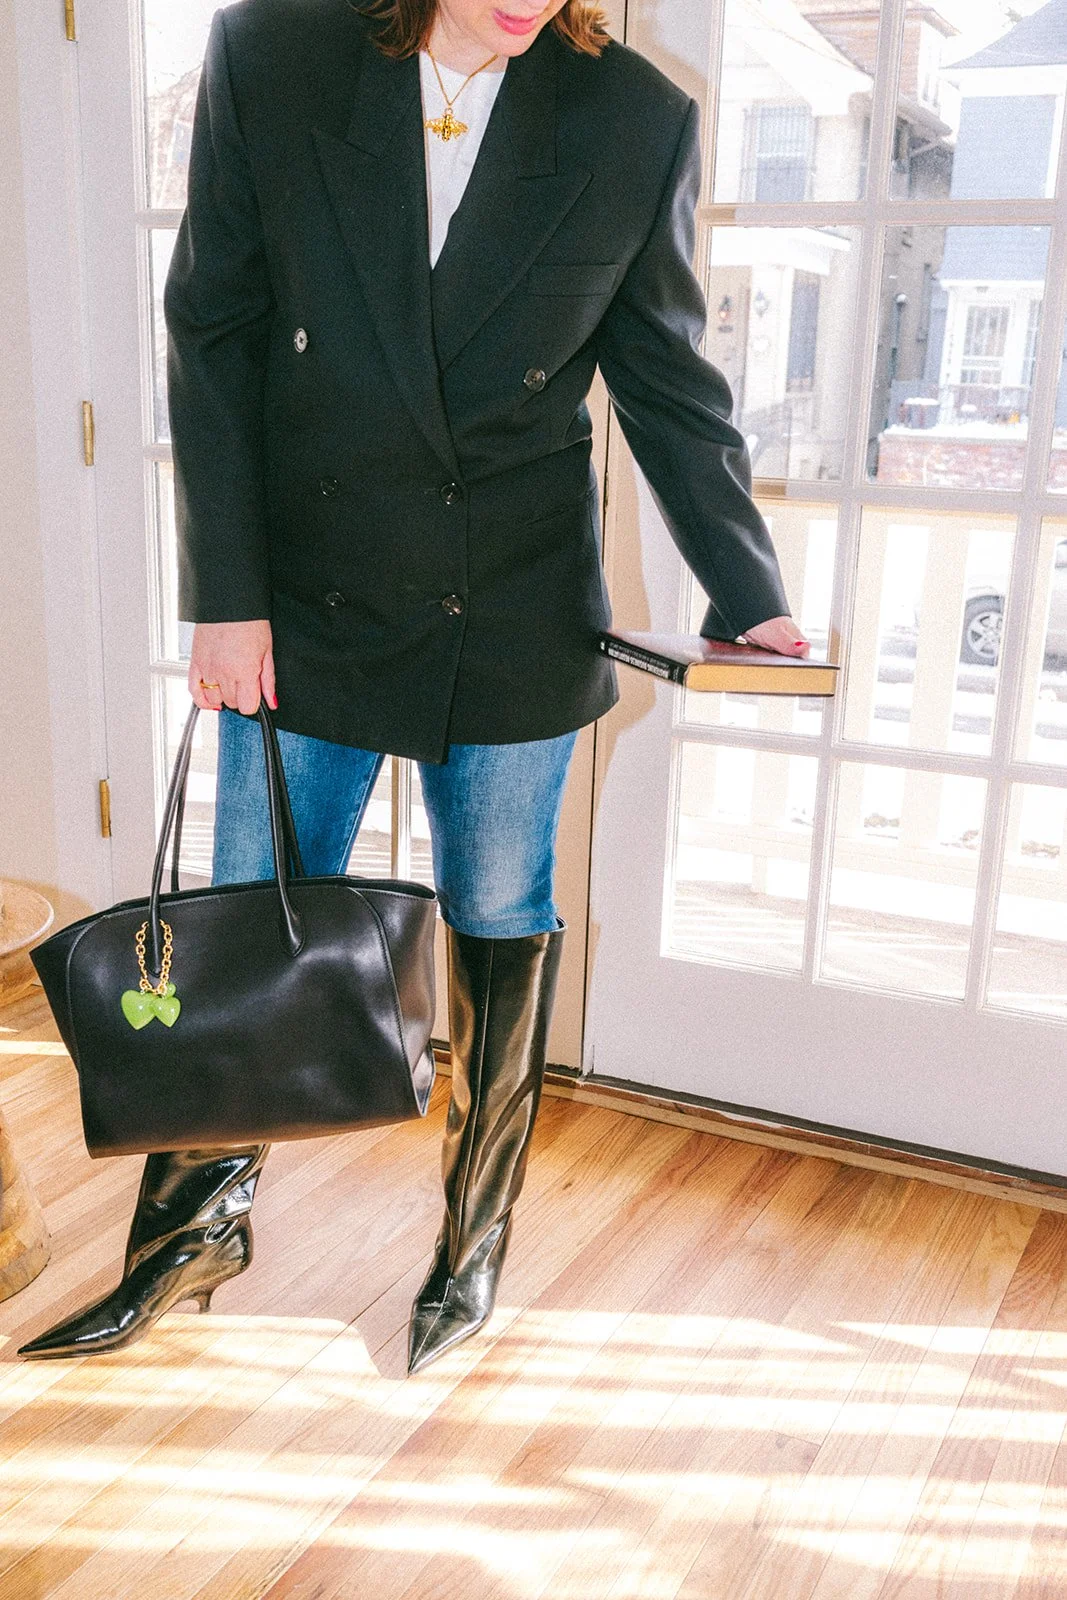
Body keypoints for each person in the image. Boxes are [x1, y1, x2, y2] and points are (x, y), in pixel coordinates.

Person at [20, 0, 809, 1370]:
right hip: (304, 589)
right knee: (242, 905)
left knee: (501, 913)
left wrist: (753, 594)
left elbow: (666, 380)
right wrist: (226, 594)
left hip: (508, 595)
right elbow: (213, 326)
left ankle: (471, 1238)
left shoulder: (633, 114)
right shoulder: (274, 48)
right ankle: (189, 1231)